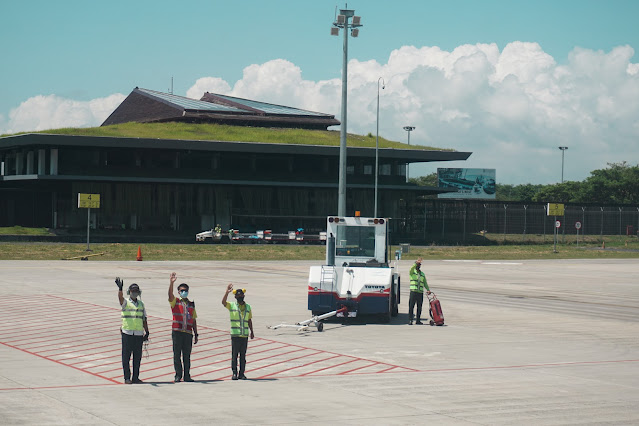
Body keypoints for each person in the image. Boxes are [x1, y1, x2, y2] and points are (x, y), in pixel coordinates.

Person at [116, 277, 149, 384]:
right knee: (126, 357)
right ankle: (127, 377)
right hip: (127, 333)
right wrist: (120, 289)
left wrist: (147, 331)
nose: (134, 293)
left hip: (138, 334)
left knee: (137, 357)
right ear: (129, 292)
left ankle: (135, 377)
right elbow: (120, 299)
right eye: (132, 291)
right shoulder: (126, 302)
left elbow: (144, 318)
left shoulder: (141, 304)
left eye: (136, 291)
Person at [168, 272, 198, 382]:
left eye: (185, 290)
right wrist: (171, 283)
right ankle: (178, 375)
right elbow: (170, 295)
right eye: (182, 291)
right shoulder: (175, 301)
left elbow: (193, 319)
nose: (184, 292)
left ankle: (187, 375)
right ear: (179, 292)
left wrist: (196, 333)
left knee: (187, 356)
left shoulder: (191, 304)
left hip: (188, 333)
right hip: (177, 331)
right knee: (177, 355)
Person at [222, 283, 254, 380]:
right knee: (234, 355)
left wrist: (252, 331)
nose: (240, 297)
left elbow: (249, 320)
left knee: (243, 356)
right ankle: (234, 373)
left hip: (244, 335)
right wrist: (226, 292)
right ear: (235, 297)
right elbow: (223, 302)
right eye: (238, 296)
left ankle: (242, 373)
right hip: (235, 335)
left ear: (244, 296)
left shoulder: (248, 307)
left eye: (241, 295)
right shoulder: (232, 305)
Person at [408, 257, 431, 325]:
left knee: (419, 307)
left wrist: (428, 289)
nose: (418, 266)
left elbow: (425, 283)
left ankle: (418, 320)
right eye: (418, 265)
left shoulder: (422, 274)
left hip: (420, 292)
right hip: (413, 291)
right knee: (411, 306)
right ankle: (410, 320)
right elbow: (411, 268)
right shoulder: (412, 272)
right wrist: (416, 263)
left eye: (419, 265)